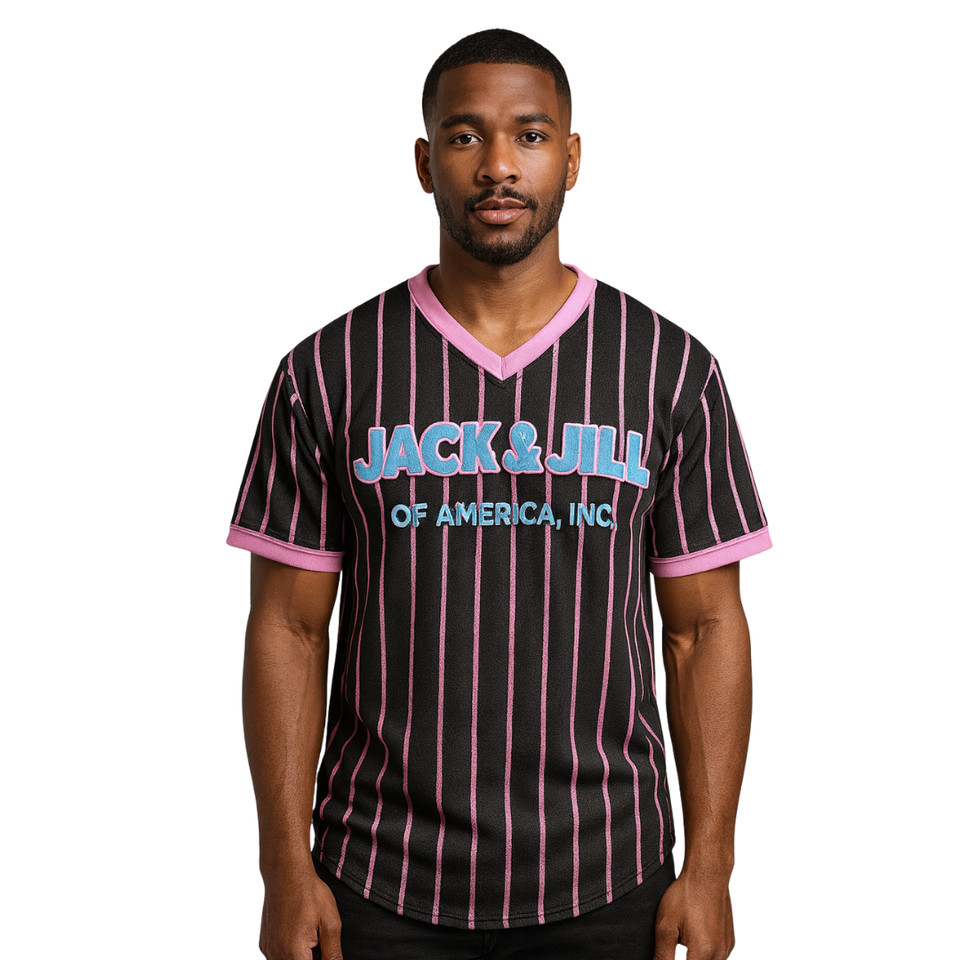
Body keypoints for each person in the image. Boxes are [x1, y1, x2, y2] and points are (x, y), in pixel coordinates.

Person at [228, 28, 770, 960]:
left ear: (572, 158)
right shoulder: (327, 371)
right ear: (424, 161)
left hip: (609, 873)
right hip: (378, 874)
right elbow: (288, 628)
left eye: (530, 134)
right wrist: (284, 869)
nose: (498, 165)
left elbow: (705, 629)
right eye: (466, 135)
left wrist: (711, 868)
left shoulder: (669, 369)